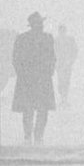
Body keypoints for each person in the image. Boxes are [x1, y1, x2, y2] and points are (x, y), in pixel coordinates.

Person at [11, 12, 56, 144]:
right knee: (32, 109)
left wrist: (49, 71)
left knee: (36, 109)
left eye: (41, 23)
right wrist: (22, 73)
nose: (41, 25)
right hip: (35, 79)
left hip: (34, 78)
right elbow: (16, 58)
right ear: (33, 25)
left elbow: (52, 57)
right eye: (39, 23)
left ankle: (35, 135)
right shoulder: (27, 38)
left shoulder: (26, 38)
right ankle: (31, 135)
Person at [55, 24, 78, 106]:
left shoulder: (70, 40)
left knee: (66, 81)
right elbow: (53, 52)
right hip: (60, 65)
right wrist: (56, 62)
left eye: (63, 30)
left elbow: (75, 51)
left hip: (67, 65)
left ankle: (65, 99)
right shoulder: (56, 40)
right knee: (61, 82)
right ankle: (63, 98)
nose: (62, 32)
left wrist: (71, 61)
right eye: (61, 30)